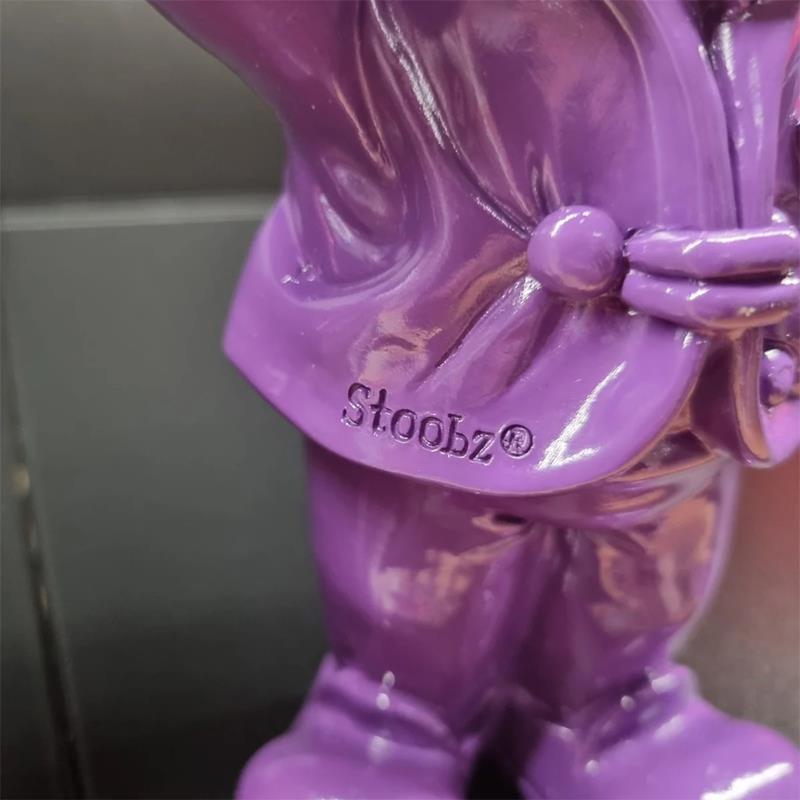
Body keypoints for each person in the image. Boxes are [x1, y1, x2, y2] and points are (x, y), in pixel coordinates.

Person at [151, 2, 800, 797]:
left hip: (704, 386)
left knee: (648, 566)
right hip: (439, 345)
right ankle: (389, 721)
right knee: (412, 576)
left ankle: (610, 711)